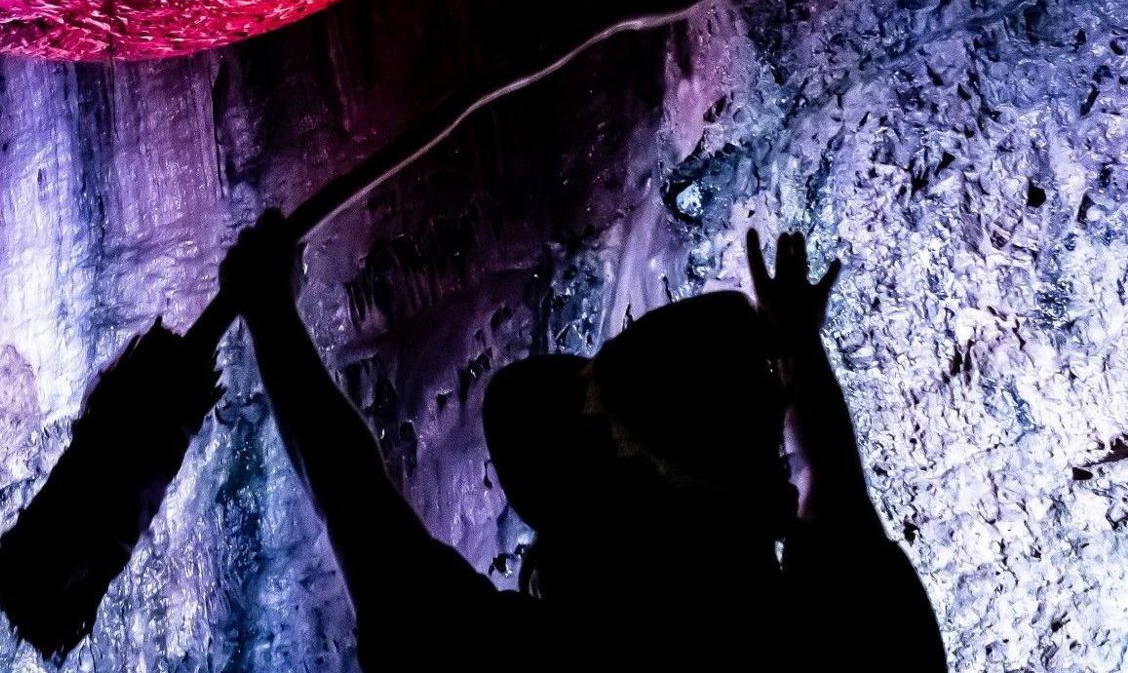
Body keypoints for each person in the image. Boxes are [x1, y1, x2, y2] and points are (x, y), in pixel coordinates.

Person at [218, 216, 947, 670]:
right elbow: (834, 484)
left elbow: (363, 517)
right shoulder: (854, 632)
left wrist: (271, 313)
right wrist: (797, 349)